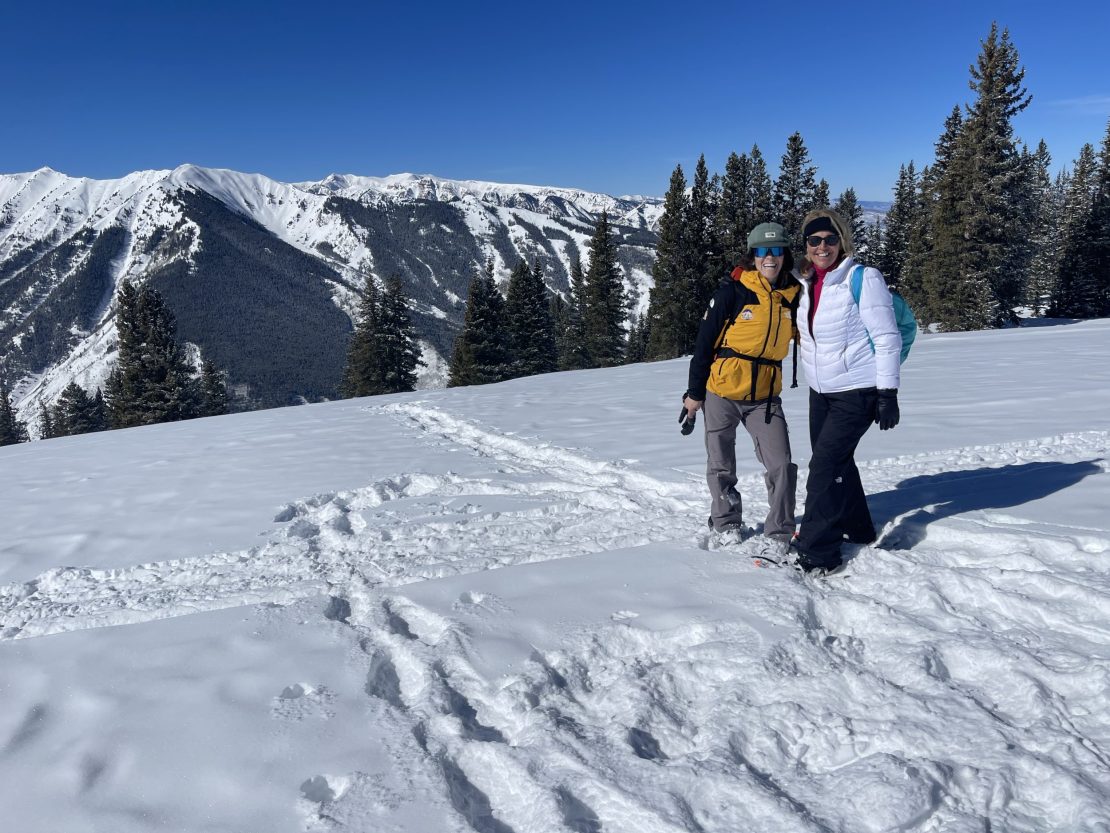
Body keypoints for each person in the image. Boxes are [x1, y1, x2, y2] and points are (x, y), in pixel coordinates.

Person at [791, 208, 901, 573]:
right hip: (820, 392)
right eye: (814, 240)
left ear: (841, 241)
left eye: (829, 239)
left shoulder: (863, 278)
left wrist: (887, 393)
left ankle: (816, 551)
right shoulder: (808, 283)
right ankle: (858, 529)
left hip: (857, 390)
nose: (822, 246)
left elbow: (887, 338)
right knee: (837, 462)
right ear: (806, 246)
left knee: (822, 467)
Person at [684, 222, 800, 550]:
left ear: (785, 255)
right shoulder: (733, 292)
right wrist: (694, 394)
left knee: (782, 464)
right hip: (720, 391)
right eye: (763, 251)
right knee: (721, 464)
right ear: (753, 255)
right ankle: (726, 523)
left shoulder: (794, 296)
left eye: (777, 250)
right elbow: (704, 344)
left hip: (764, 397)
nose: (770, 258)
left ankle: (779, 532)